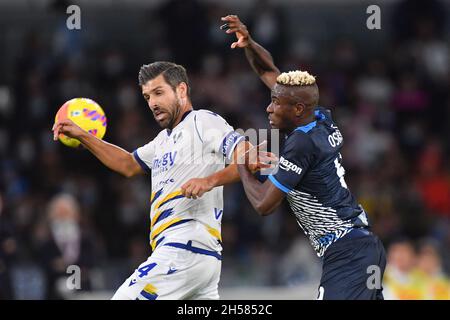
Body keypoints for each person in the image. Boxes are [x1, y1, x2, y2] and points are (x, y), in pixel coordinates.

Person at [53, 61, 272, 300]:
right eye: (147, 97)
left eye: (159, 93)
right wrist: (83, 136)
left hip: (185, 247)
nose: (153, 103)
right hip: (196, 257)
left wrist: (210, 180)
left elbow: (246, 154)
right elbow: (127, 164)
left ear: (181, 90)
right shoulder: (161, 141)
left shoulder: (202, 122)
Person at [220, 15, 387, 300]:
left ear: (297, 109)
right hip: (359, 247)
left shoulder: (301, 144)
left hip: (347, 252)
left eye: (275, 103)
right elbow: (269, 71)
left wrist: (241, 160)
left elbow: (263, 204)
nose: (268, 108)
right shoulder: (319, 117)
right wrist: (249, 44)